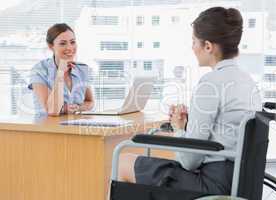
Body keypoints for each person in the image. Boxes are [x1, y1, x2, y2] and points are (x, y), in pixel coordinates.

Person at [118, 7, 262, 195]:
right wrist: (187, 125)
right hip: (238, 180)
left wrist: (178, 128)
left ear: (208, 46)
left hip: (211, 185)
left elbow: (189, 161)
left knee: (123, 161)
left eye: (194, 41)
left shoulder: (210, 84)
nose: (192, 47)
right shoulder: (248, 82)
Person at [28, 23, 94, 116]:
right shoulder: (39, 70)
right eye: (63, 43)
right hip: (47, 128)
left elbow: (89, 101)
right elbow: (52, 110)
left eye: (72, 42)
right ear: (51, 46)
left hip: (73, 126)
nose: (69, 48)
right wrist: (60, 73)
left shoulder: (82, 69)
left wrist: (77, 108)